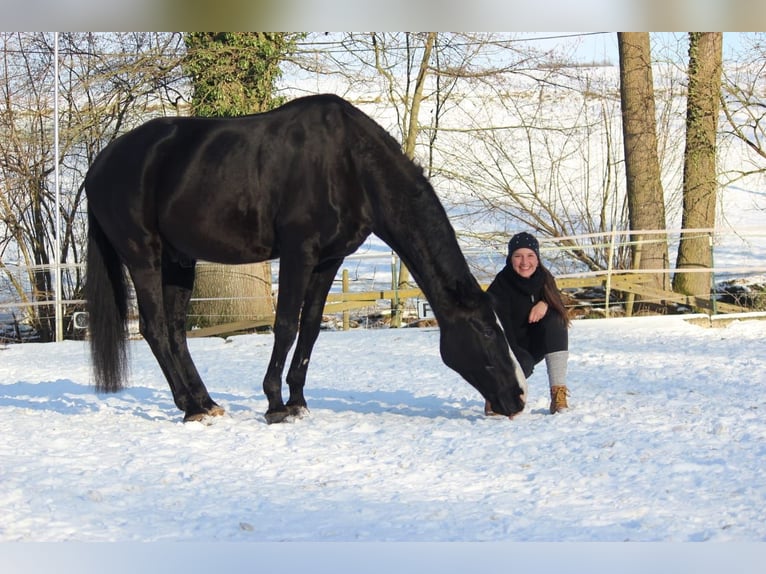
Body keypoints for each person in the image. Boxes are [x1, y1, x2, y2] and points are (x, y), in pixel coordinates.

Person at [487, 231, 571, 415]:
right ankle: (495, 394)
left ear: (538, 258)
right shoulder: (500, 287)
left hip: (534, 343)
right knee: (520, 366)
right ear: (510, 259)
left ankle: (558, 394)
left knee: (556, 319)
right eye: (518, 256)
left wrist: (546, 303)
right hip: (505, 347)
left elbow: (559, 302)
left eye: (530, 256)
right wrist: (516, 360)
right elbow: (498, 332)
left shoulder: (545, 279)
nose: (525, 262)